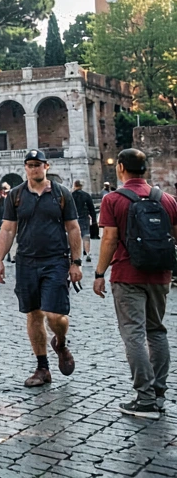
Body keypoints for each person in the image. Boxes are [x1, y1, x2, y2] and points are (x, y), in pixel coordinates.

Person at [93, 148, 177, 418]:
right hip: (161, 275)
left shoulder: (114, 200)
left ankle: (144, 399)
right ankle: (159, 394)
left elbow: (109, 240)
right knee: (157, 331)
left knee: (134, 334)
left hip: (128, 275)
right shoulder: (167, 200)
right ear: (146, 168)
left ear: (120, 167)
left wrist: (99, 273)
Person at [0, 150, 82, 387]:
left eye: (38, 164)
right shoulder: (16, 195)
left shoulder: (61, 193)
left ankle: (60, 342)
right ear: (25, 168)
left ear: (46, 166)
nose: (34, 168)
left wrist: (76, 262)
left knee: (55, 315)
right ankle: (42, 368)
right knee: (33, 314)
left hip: (55, 260)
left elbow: (73, 228)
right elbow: (8, 229)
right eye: (30, 165)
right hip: (26, 261)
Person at [73, 180, 98, 263]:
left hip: (74, 218)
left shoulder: (70, 195)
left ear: (74, 185)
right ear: (81, 186)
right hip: (84, 218)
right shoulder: (86, 195)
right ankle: (87, 253)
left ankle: (76, 255)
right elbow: (92, 209)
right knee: (86, 235)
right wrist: (94, 220)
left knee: (75, 236)